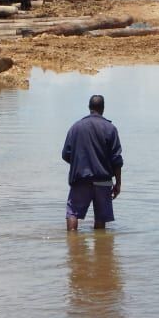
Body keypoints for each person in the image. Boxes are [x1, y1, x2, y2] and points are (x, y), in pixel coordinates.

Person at [61, 95, 123, 231]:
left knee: (72, 212)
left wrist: (80, 164)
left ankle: (73, 244)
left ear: (89, 108)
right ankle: (101, 250)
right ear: (103, 108)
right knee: (101, 218)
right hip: (103, 181)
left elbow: (65, 154)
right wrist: (118, 183)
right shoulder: (110, 129)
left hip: (81, 179)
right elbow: (116, 159)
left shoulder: (76, 127)